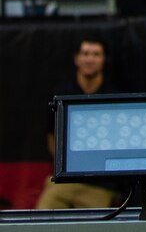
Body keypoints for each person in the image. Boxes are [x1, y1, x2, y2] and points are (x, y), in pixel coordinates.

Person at [37, 38, 119, 209]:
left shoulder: (113, 96)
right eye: (85, 54)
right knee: (47, 206)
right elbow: (52, 137)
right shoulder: (61, 94)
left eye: (96, 54)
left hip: (102, 185)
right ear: (77, 58)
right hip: (66, 179)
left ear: (104, 59)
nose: (90, 59)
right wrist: (67, 166)